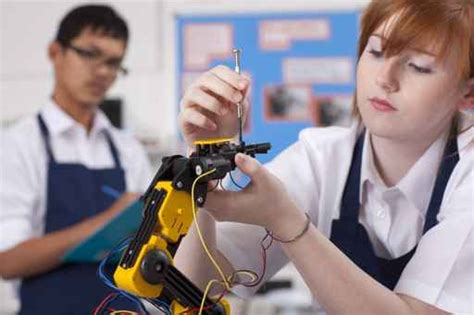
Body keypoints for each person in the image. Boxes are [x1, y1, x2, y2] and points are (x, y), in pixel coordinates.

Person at [175, 0, 473, 314]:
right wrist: (205, 162)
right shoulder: (321, 158)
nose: (385, 78)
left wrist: (287, 222)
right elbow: (193, 284)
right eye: (375, 52)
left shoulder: (467, 177)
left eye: (418, 66)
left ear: (468, 93)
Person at [0, 4, 151, 314]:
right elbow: (8, 261)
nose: (104, 71)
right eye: (90, 54)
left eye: (114, 62)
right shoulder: (18, 145)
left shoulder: (128, 150)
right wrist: (107, 223)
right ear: (56, 52)